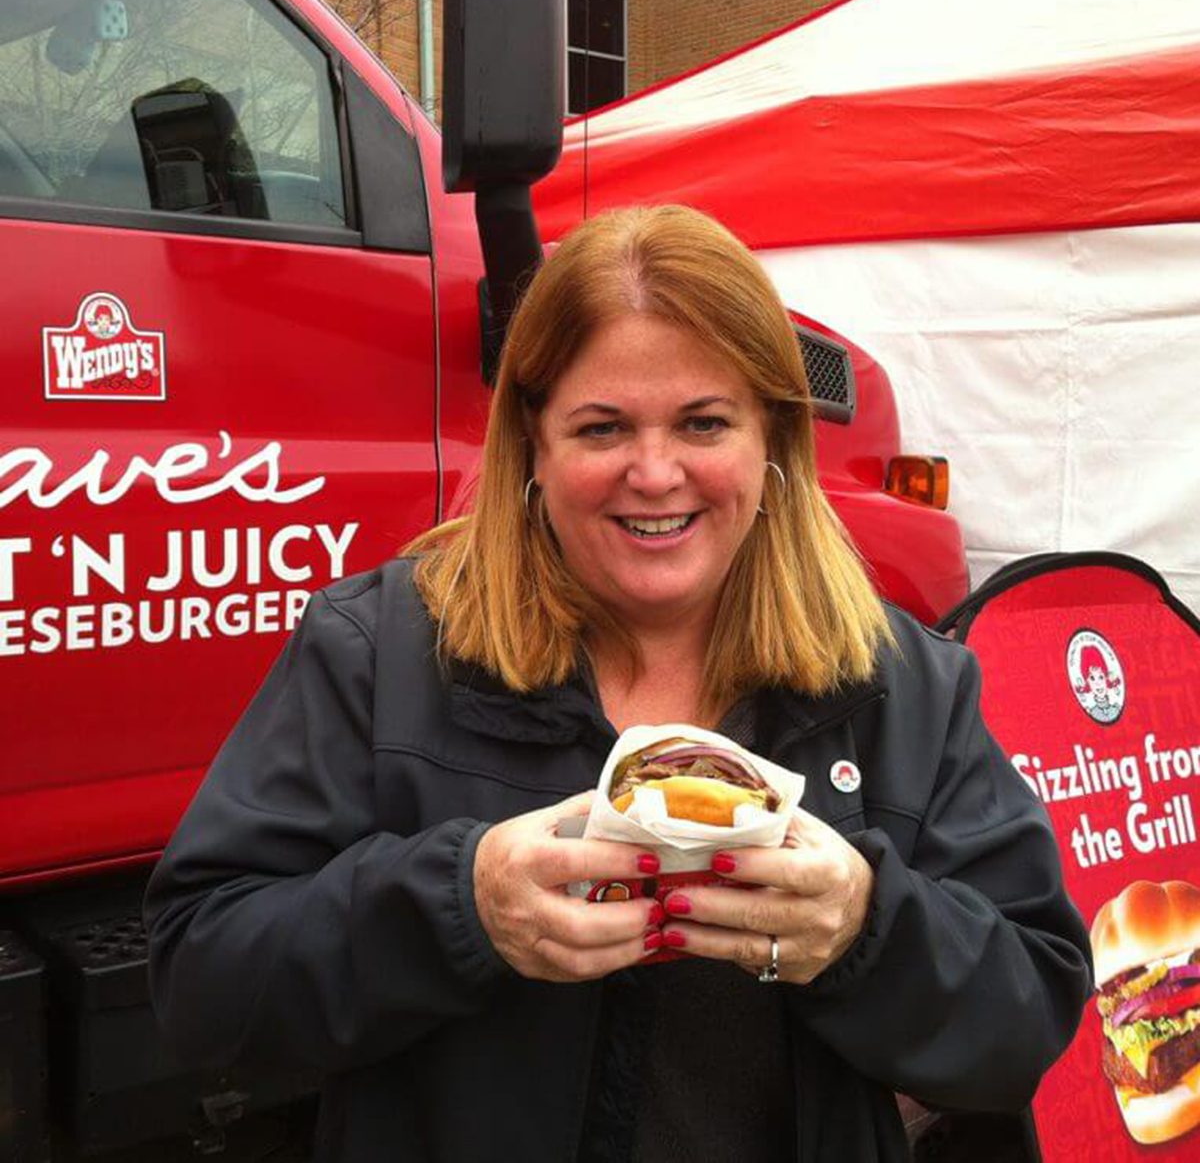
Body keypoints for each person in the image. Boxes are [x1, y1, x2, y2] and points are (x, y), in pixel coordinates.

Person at [144, 205, 1092, 1162]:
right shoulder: (380, 651)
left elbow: (1027, 1024)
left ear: (773, 437)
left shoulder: (899, 683)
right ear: (535, 441)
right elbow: (202, 982)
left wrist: (863, 928)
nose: (654, 471)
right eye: (601, 428)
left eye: (703, 422)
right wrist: (458, 906)